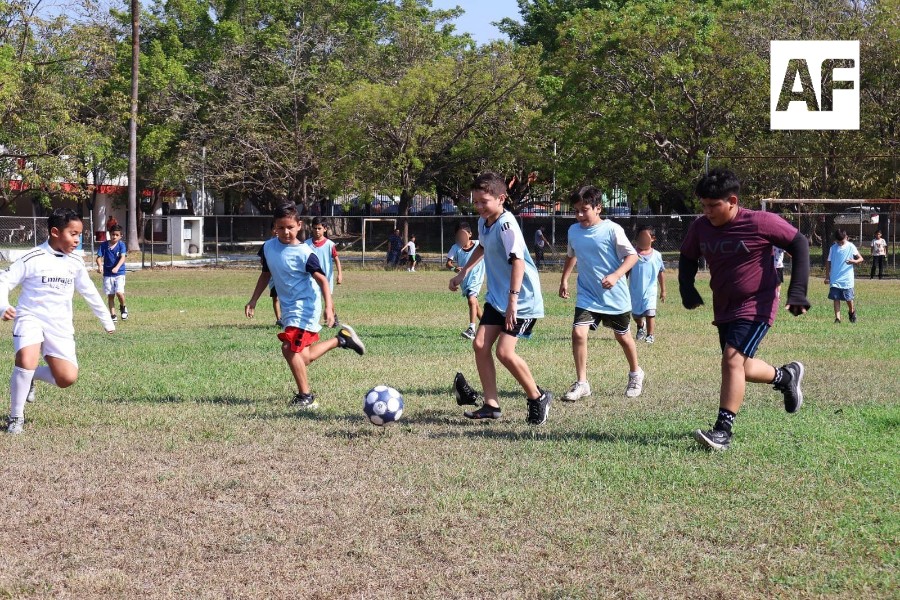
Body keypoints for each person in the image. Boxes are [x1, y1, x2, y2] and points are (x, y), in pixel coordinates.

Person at [679, 168, 810, 451]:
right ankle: (786, 376)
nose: (707, 212)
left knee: (731, 361)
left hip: (757, 303)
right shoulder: (700, 227)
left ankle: (722, 431)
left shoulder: (760, 222)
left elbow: (799, 242)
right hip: (724, 306)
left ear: (733, 201)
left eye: (713, 205)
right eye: (703, 205)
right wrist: (686, 287)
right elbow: (688, 257)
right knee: (741, 366)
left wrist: (798, 290)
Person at [450, 171, 552, 425]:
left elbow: (518, 262)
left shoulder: (507, 225)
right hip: (498, 298)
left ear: (501, 199)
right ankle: (491, 404)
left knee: (505, 352)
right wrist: (463, 272)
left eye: (484, 201)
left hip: (522, 300)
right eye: (475, 201)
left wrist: (513, 303)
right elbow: (482, 246)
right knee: (480, 345)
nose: (479, 206)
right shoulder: (484, 222)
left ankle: (538, 397)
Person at [1, 208, 115, 434]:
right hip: (30, 317)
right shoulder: (32, 257)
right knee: (26, 359)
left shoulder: (75, 262)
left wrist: (107, 320)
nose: (78, 239)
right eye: (73, 234)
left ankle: (31, 376)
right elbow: (4, 281)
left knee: (66, 378)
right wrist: (3, 306)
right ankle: (16, 417)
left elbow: (89, 291)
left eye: (79, 234)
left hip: (59, 325)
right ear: (55, 232)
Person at [245, 204, 365, 410]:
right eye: (281, 227)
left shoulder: (305, 253)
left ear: (299, 225)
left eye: (290, 227)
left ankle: (306, 397)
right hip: (289, 309)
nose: (286, 232)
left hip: (305, 307)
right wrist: (253, 299)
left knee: (288, 348)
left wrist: (329, 307)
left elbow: (323, 280)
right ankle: (341, 339)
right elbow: (265, 274)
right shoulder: (268, 248)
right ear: (274, 227)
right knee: (303, 357)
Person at [558, 186, 644, 402]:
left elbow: (632, 256)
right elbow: (571, 255)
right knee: (578, 333)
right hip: (587, 294)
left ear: (598, 208)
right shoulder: (573, 231)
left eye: (584, 210)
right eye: (576, 210)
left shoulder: (612, 229)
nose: (579, 215)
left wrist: (616, 275)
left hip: (615, 296)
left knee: (623, 337)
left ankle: (636, 373)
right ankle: (582, 383)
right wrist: (564, 279)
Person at [445, 222, 485, 340]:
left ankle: (471, 329)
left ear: (470, 234)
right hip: (464, 279)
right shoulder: (455, 248)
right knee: (474, 304)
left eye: (463, 234)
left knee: (472, 300)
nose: (461, 237)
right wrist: (454, 268)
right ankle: (487, 327)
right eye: (458, 235)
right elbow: (448, 263)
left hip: (476, 278)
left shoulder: (479, 245)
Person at [629, 225, 666, 344]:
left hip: (651, 290)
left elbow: (660, 272)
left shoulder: (657, 255)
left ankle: (650, 335)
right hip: (635, 290)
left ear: (653, 239)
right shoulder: (632, 254)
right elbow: (626, 271)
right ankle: (641, 326)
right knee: (636, 315)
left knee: (650, 312)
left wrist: (663, 290)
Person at [825, 229, 863, 323]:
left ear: (846, 237)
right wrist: (827, 277)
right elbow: (828, 262)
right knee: (836, 298)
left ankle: (852, 311)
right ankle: (837, 318)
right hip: (835, 278)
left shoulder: (851, 246)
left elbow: (860, 259)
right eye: (838, 242)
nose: (840, 243)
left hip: (847, 278)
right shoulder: (833, 248)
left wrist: (854, 261)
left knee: (848, 299)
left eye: (842, 241)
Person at [95, 223, 129, 322]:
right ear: (109, 234)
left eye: (117, 235)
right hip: (108, 274)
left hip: (119, 273)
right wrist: (100, 266)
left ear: (121, 236)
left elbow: (123, 257)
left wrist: (117, 267)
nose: (114, 236)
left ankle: (123, 307)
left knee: (119, 292)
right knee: (110, 295)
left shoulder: (121, 245)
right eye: (113, 234)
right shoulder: (104, 245)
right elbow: (98, 257)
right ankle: (113, 315)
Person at [305, 217, 343, 290]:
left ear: (325, 229)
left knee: (327, 296)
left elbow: (336, 259)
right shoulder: (306, 244)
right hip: (311, 279)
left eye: (319, 228)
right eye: (315, 228)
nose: (317, 230)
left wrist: (340, 274)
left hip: (326, 278)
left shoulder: (329, 245)